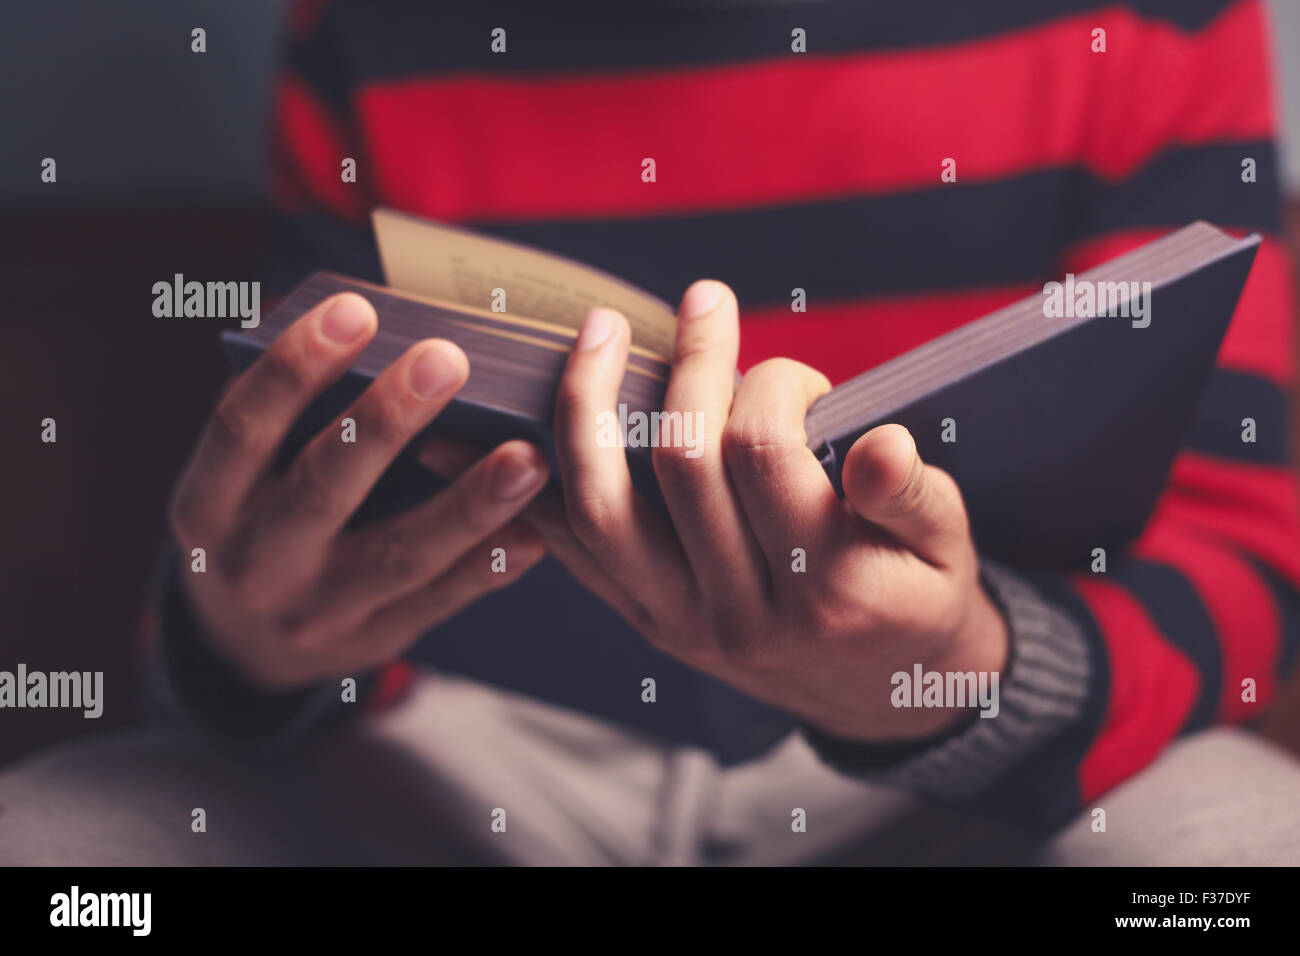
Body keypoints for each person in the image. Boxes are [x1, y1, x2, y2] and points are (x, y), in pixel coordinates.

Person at [4, 0, 1300, 866]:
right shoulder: (368, 25)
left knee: (1240, 853)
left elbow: (1248, 557)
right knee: (58, 848)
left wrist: (959, 675)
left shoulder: (1155, 19)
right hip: (476, 751)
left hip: (957, 770)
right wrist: (238, 648)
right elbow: (325, 480)